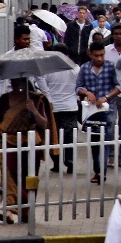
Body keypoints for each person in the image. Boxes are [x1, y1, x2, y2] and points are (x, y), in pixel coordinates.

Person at [0, 42, 56, 224]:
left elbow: (44, 125)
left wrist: (34, 111)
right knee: (10, 178)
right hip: (10, 143)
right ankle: (11, 209)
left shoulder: (37, 99)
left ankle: (27, 209)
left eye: (19, 80)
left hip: (31, 145)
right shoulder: (5, 99)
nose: (16, 83)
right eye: (12, 80)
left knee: (30, 178)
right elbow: (0, 124)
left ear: (26, 81)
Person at [76, 41, 120, 184]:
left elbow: (119, 87)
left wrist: (106, 97)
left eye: (102, 55)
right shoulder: (84, 68)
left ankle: (102, 172)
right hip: (91, 111)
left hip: (108, 109)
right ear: (90, 54)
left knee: (106, 140)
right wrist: (87, 92)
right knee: (94, 141)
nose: (99, 58)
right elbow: (77, 88)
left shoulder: (111, 67)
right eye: (96, 56)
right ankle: (98, 170)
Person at [42, 45, 82, 176]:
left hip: (53, 108)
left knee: (54, 137)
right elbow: (79, 87)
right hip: (70, 107)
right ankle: (69, 160)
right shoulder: (75, 68)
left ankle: (57, 162)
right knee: (69, 136)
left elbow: (42, 88)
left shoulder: (47, 69)